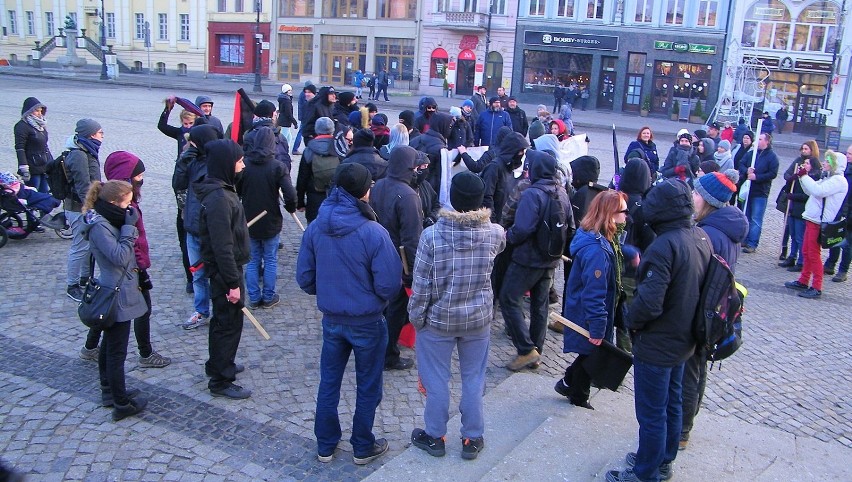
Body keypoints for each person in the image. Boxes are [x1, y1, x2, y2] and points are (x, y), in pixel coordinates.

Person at [607, 179, 712, 482]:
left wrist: (629, 318)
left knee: (652, 413)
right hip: (685, 339)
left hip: (659, 343)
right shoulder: (699, 236)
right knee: (672, 403)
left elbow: (649, 304)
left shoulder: (664, 246)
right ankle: (663, 460)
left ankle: (645, 473)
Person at [296, 162, 401, 465]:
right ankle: (362, 445)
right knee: (368, 384)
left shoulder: (316, 226)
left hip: (332, 320)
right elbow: (388, 284)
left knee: (329, 382)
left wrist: (330, 290)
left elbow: (305, 278)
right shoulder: (374, 233)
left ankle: (326, 444)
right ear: (364, 192)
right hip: (367, 321)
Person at [408, 171, 505, 461]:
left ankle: (435, 435)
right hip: (477, 319)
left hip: (439, 320)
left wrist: (416, 319)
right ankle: (472, 437)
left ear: (453, 198)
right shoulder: (495, 234)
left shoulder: (432, 236)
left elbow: (421, 285)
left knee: (436, 379)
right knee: (474, 377)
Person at [83, 151, 172, 369]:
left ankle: (90, 347)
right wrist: (141, 266)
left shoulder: (122, 205)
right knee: (138, 309)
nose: (141, 179)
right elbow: (123, 247)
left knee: (107, 306)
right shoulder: (117, 212)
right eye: (138, 175)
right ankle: (145, 352)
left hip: (130, 266)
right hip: (127, 269)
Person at [680, 169, 748, 450]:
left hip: (702, 310)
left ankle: (681, 429)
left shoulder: (708, 233)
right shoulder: (726, 228)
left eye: (696, 193)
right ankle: (687, 422)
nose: (692, 197)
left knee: (689, 370)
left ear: (708, 201)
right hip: (714, 311)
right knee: (697, 368)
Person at [82, 180, 149, 421]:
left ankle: (110, 391)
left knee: (110, 346)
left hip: (120, 290)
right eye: (127, 202)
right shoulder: (100, 226)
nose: (130, 207)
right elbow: (119, 257)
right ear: (113, 203)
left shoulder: (107, 219)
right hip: (116, 294)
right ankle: (121, 403)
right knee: (116, 351)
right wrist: (129, 229)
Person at [556, 191, 630, 409]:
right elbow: (594, 293)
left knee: (591, 353)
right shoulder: (597, 250)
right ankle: (577, 394)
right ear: (610, 214)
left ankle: (569, 384)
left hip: (593, 310)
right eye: (623, 211)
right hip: (590, 313)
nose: (627, 215)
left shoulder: (604, 241)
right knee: (593, 353)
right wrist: (598, 327)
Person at [502, 150, 573, 371]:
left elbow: (522, 228)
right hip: (550, 259)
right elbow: (571, 226)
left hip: (527, 258)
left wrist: (507, 238)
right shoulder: (562, 192)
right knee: (539, 306)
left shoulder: (532, 193)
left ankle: (526, 350)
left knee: (508, 298)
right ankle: (537, 352)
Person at [194, 139, 252, 399]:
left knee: (227, 321)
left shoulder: (223, 190)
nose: (243, 164)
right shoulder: (219, 198)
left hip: (228, 269)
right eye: (239, 161)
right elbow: (222, 246)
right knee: (227, 324)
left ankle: (220, 363)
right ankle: (220, 379)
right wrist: (232, 283)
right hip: (225, 272)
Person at [369, 146, 423, 370]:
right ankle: (388, 355)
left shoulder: (379, 185)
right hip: (398, 261)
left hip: (376, 254)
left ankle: (375, 345)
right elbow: (412, 239)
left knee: (381, 305)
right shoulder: (409, 196)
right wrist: (412, 272)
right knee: (396, 309)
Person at [241, 101, 298, 309]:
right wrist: (291, 207)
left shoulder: (244, 165)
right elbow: (290, 194)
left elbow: (237, 190)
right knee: (270, 259)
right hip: (270, 217)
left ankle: (254, 298)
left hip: (249, 217)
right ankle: (268, 295)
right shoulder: (277, 166)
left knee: (253, 259)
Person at [173, 124, 222, 330]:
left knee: (218, 273)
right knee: (198, 273)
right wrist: (183, 161)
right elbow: (178, 183)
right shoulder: (190, 160)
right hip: (192, 225)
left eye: (191, 141)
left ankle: (222, 309)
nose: (188, 145)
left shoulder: (217, 163)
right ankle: (201, 310)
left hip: (211, 228)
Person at [785, 150, 849, 299]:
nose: (824, 163)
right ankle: (804, 280)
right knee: (807, 252)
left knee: (813, 254)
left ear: (835, 164)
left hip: (819, 221)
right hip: (813, 218)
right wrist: (802, 177)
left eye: (828, 161)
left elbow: (818, 191)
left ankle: (817, 286)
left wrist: (804, 176)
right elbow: (810, 190)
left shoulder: (838, 180)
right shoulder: (829, 177)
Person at [65, 119, 104, 303]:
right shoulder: (79, 155)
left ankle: (85, 278)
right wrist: (89, 209)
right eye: (99, 132)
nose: (102, 136)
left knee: (88, 246)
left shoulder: (88, 150)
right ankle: (72, 285)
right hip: (78, 208)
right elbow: (82, 185)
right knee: (79, 247)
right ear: (90, 135)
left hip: (86, 206)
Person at [779, 141, 821, 271]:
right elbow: (788, 177)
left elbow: (808, 194)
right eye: (802, 148)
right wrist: (794, 176)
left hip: (802, 208)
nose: (803, 151)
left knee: (799, 236)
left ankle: (801, 262)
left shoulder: (814, 175)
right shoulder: (798, 165)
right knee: (793, 234)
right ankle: (792, 257)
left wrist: (793, 196)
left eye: (806, 149)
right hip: (793, 207)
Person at [740, 133, 779, 253]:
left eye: (760, 139)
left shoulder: (772, 157)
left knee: (756, 219)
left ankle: (752, 243)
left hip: (760, 192)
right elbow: (741, 163)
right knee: (745, 215)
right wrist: (746, 171)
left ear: (767, 142)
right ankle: (745, 239)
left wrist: (757, 177)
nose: (758, 141)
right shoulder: (752, 154)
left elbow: (772, 173)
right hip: (748, 190)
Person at [296, 117, 339, 223]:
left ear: (316, 130)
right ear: (332, 130)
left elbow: (302, 178)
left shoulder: (309, 150)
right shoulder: (339, 148)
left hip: (314, 197)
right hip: (335, 198)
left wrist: (300, 202)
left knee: (314, 229)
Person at [824, 144, 852, 282]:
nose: (848, 156)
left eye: (851, 154)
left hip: (850, 214)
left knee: (847, 243)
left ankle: (843, 270)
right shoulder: (842, 171)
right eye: (847, 153)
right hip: (838, 210)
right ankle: (830, 264)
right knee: (834, 239)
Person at [14, 97, 52, 193]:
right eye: (36, 111)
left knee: (44, 192)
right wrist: (24, 167)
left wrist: (51, 162)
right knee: (33, 192)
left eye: (41, 111)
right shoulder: (22, 126)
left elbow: (45, 146)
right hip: (32, 165)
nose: (39, 113)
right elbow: (20, 148)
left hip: (44, 164)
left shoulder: (41, 125)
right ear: (29, 111)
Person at [292, 83, 317, 155]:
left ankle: (295, 148)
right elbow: (302, 107)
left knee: (300, 133)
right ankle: (295, 149)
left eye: (309, 92)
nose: (307, 94)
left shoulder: (303, 95)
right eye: (306, 92)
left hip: (304, 117)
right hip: (305, 118)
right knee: (301, 133)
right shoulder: (305, 98)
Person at [277, 83, 298, 148]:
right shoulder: (286, 101)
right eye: (289, 90)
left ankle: (285, 151)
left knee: (289, 138)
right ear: (286, 91)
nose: (291, 92)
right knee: (284, 139)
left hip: (283, 121)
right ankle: (281, 151)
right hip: (285, 122)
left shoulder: (283, 99)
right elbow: (289, 114)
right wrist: (295, 123)